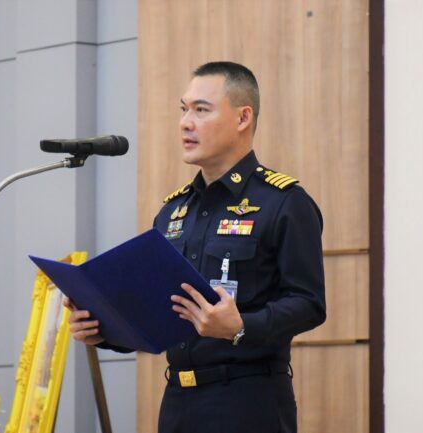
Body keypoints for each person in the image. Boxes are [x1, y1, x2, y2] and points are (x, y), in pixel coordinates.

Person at [63, 61, 326, 433]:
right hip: (177, 402)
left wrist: (240, 327)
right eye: (183, 109)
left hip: (247, 401)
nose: (186, 122)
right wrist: (103, 329)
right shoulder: (173, 211)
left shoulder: (283, 202)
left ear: (243, 117)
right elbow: (157, 313)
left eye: (201, 110)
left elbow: (309, 303)